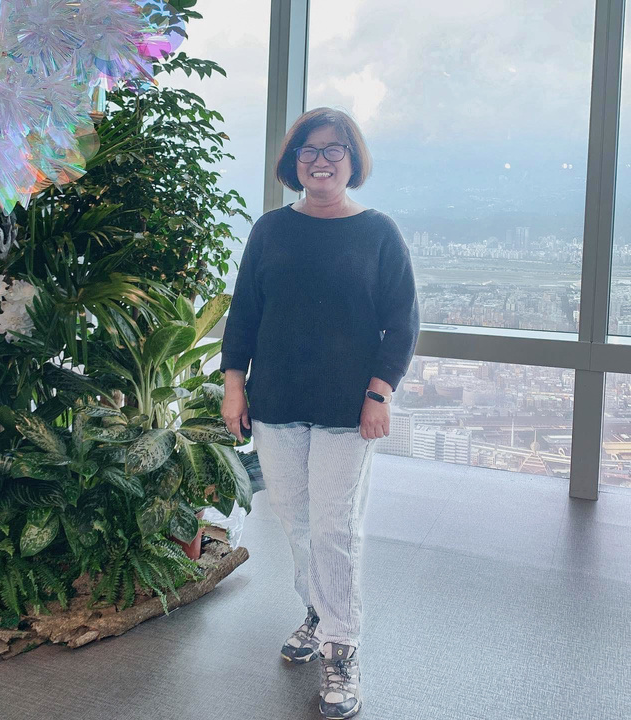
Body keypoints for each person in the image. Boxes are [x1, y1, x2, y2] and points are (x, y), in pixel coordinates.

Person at [219, 107, 420, 720]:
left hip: (346, 409)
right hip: (277, 402)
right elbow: (244, 312)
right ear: (294, 162)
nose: (321, 160)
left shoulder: (378, 232)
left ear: (353, 160)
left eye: (335, 149)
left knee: (335, 528)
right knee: (297, 523)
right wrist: (234, 385)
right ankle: (318, 610)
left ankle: (341, 647)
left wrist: (380, 393)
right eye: (309, 150)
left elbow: (402, 321)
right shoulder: (271, 230)